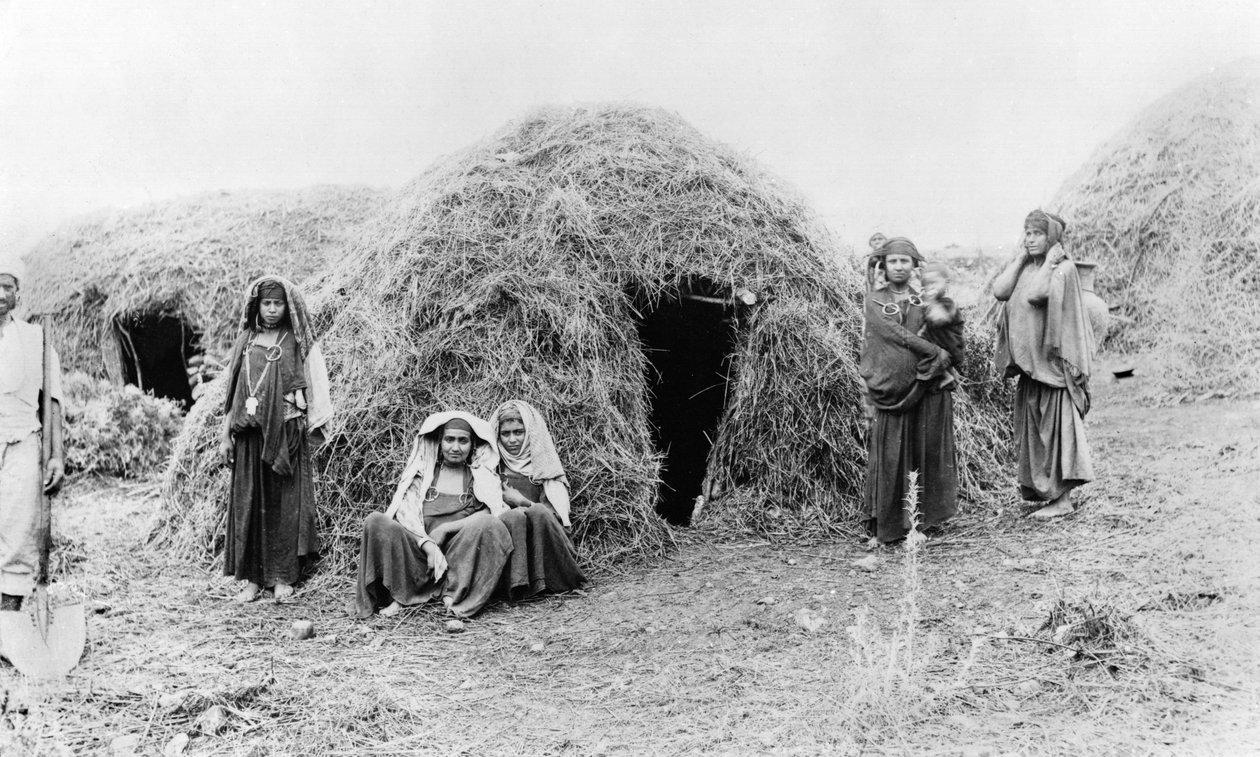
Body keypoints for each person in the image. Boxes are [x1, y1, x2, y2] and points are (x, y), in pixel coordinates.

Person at [218, 276, 333, 602]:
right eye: (266, 303)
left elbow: (314, 382)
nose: (271, 309)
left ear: (287, 306)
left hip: (285, 433)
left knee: (284, 507)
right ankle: (253, 580)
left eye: (277, 303)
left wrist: (310, 426)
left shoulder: (296, 342)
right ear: (257, 305)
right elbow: (234, 394)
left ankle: (282, 577)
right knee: (250, 504)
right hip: (250, 436)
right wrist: (225, 435)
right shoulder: (246, 341)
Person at [355, 411, 513, 619]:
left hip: (458, 557)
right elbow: (405, 514)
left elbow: (493, 511)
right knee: (375, 521)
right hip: (420, 555)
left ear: (472, 444)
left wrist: (446, 529)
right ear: (439, 442)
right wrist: (427, 545)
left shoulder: (480, 477)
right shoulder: (424, 473)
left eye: (463, 441)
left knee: (489, 524)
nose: (455, 447)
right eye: (449, 440)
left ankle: (455, 594)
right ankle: (403, 595)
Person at [992, 210, 1094, 518]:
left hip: (1052, 369)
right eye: (1026, 232)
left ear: (1051, 238)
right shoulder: (1026, 268)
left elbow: (1037, 295)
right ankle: (1049, 496)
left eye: (1036, 233)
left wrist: (1049, 260)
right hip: (1030, 369)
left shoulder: (1062, 269)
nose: (1029, 238)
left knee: (1055, 431)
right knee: (1035, 434)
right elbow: (1000, 291)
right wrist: (1023, 259)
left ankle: (1062, 501)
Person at [859, 238, 961, 544]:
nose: (899, 267)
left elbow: (949, 334)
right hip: (891, 391)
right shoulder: (874, 301)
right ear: (884, 266)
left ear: (914, 266)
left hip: (924, 389)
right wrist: (934, 351)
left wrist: (942, 357)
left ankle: (917, 525)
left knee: (920, 453)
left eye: (905, 261)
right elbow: (894, 333)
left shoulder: (924, 302)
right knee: (892, 455)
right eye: (893, 261)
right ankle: (889, 524)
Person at [0, 260, 65, 612]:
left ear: (17, 293)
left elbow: (51, 401)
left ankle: (6, 618)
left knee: (18, 524)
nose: (0, 294)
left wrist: (56, 455)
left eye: (7, 286)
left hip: (22, 440)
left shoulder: (35, 338)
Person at [491, 400, 585, 599]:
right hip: (512, 544)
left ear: (530, 434)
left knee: (537, 511)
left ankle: (545, 581)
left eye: (519, 432)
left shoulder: (544, 469)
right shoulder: (493, 470)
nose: (512, 440)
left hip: (544, 545)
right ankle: (516, 584)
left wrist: (522, 501)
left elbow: (555, 520)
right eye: (505, 434)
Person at [919, 260, 965, 391]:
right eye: (927, 283)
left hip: (951, 347)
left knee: (921, 347)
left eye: (934, 282)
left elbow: (938, 319)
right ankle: (948, 374)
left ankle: (946, 375)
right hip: (943, 347)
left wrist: (930, 301)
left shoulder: (948, 304)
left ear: (946, 283)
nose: (930, 287)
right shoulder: (937, 303)